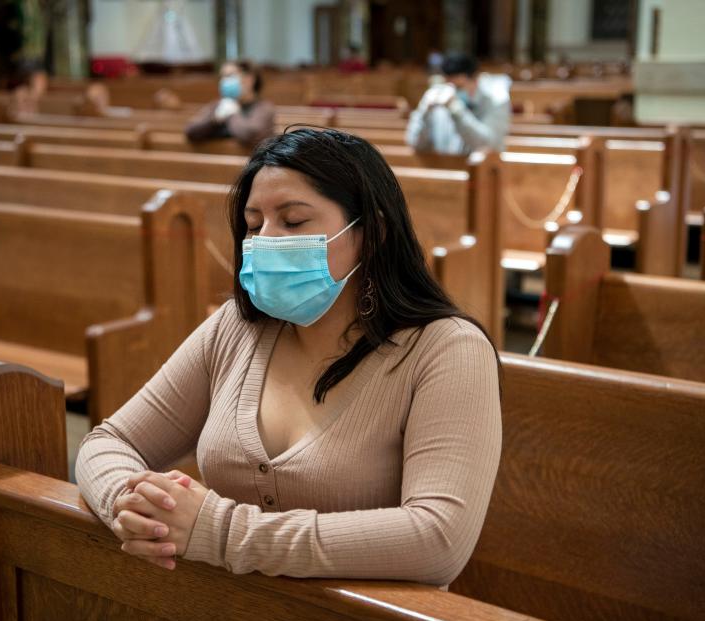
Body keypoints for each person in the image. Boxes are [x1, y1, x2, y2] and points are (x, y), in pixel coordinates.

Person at [76, 128, 502, 587]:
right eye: (254, 224)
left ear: (372, 233)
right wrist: (128, 504)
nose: (266, 241)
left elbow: (437, 540)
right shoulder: (236, 328)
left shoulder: (446, 350)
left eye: (293, 222)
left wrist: (219, 532)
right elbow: (107, 442)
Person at [405, 53, 511, 155]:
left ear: (475, 80)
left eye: (459, 87)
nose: (453, 92)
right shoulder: (439, 96)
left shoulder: (496, 101)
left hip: (481, 170)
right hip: (445, 168)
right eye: (449, 86)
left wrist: (457, 110)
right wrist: (425, 111)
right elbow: (414, 144)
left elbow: (489, 146)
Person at [184, 61, 275, 148]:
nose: (224, 81)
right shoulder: (217, 105)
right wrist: (214, 120)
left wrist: (232, 114)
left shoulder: (263, 107)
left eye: (230, 76)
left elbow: (251, 135)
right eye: (222, 77)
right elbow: (191, 131)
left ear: (249, 79)